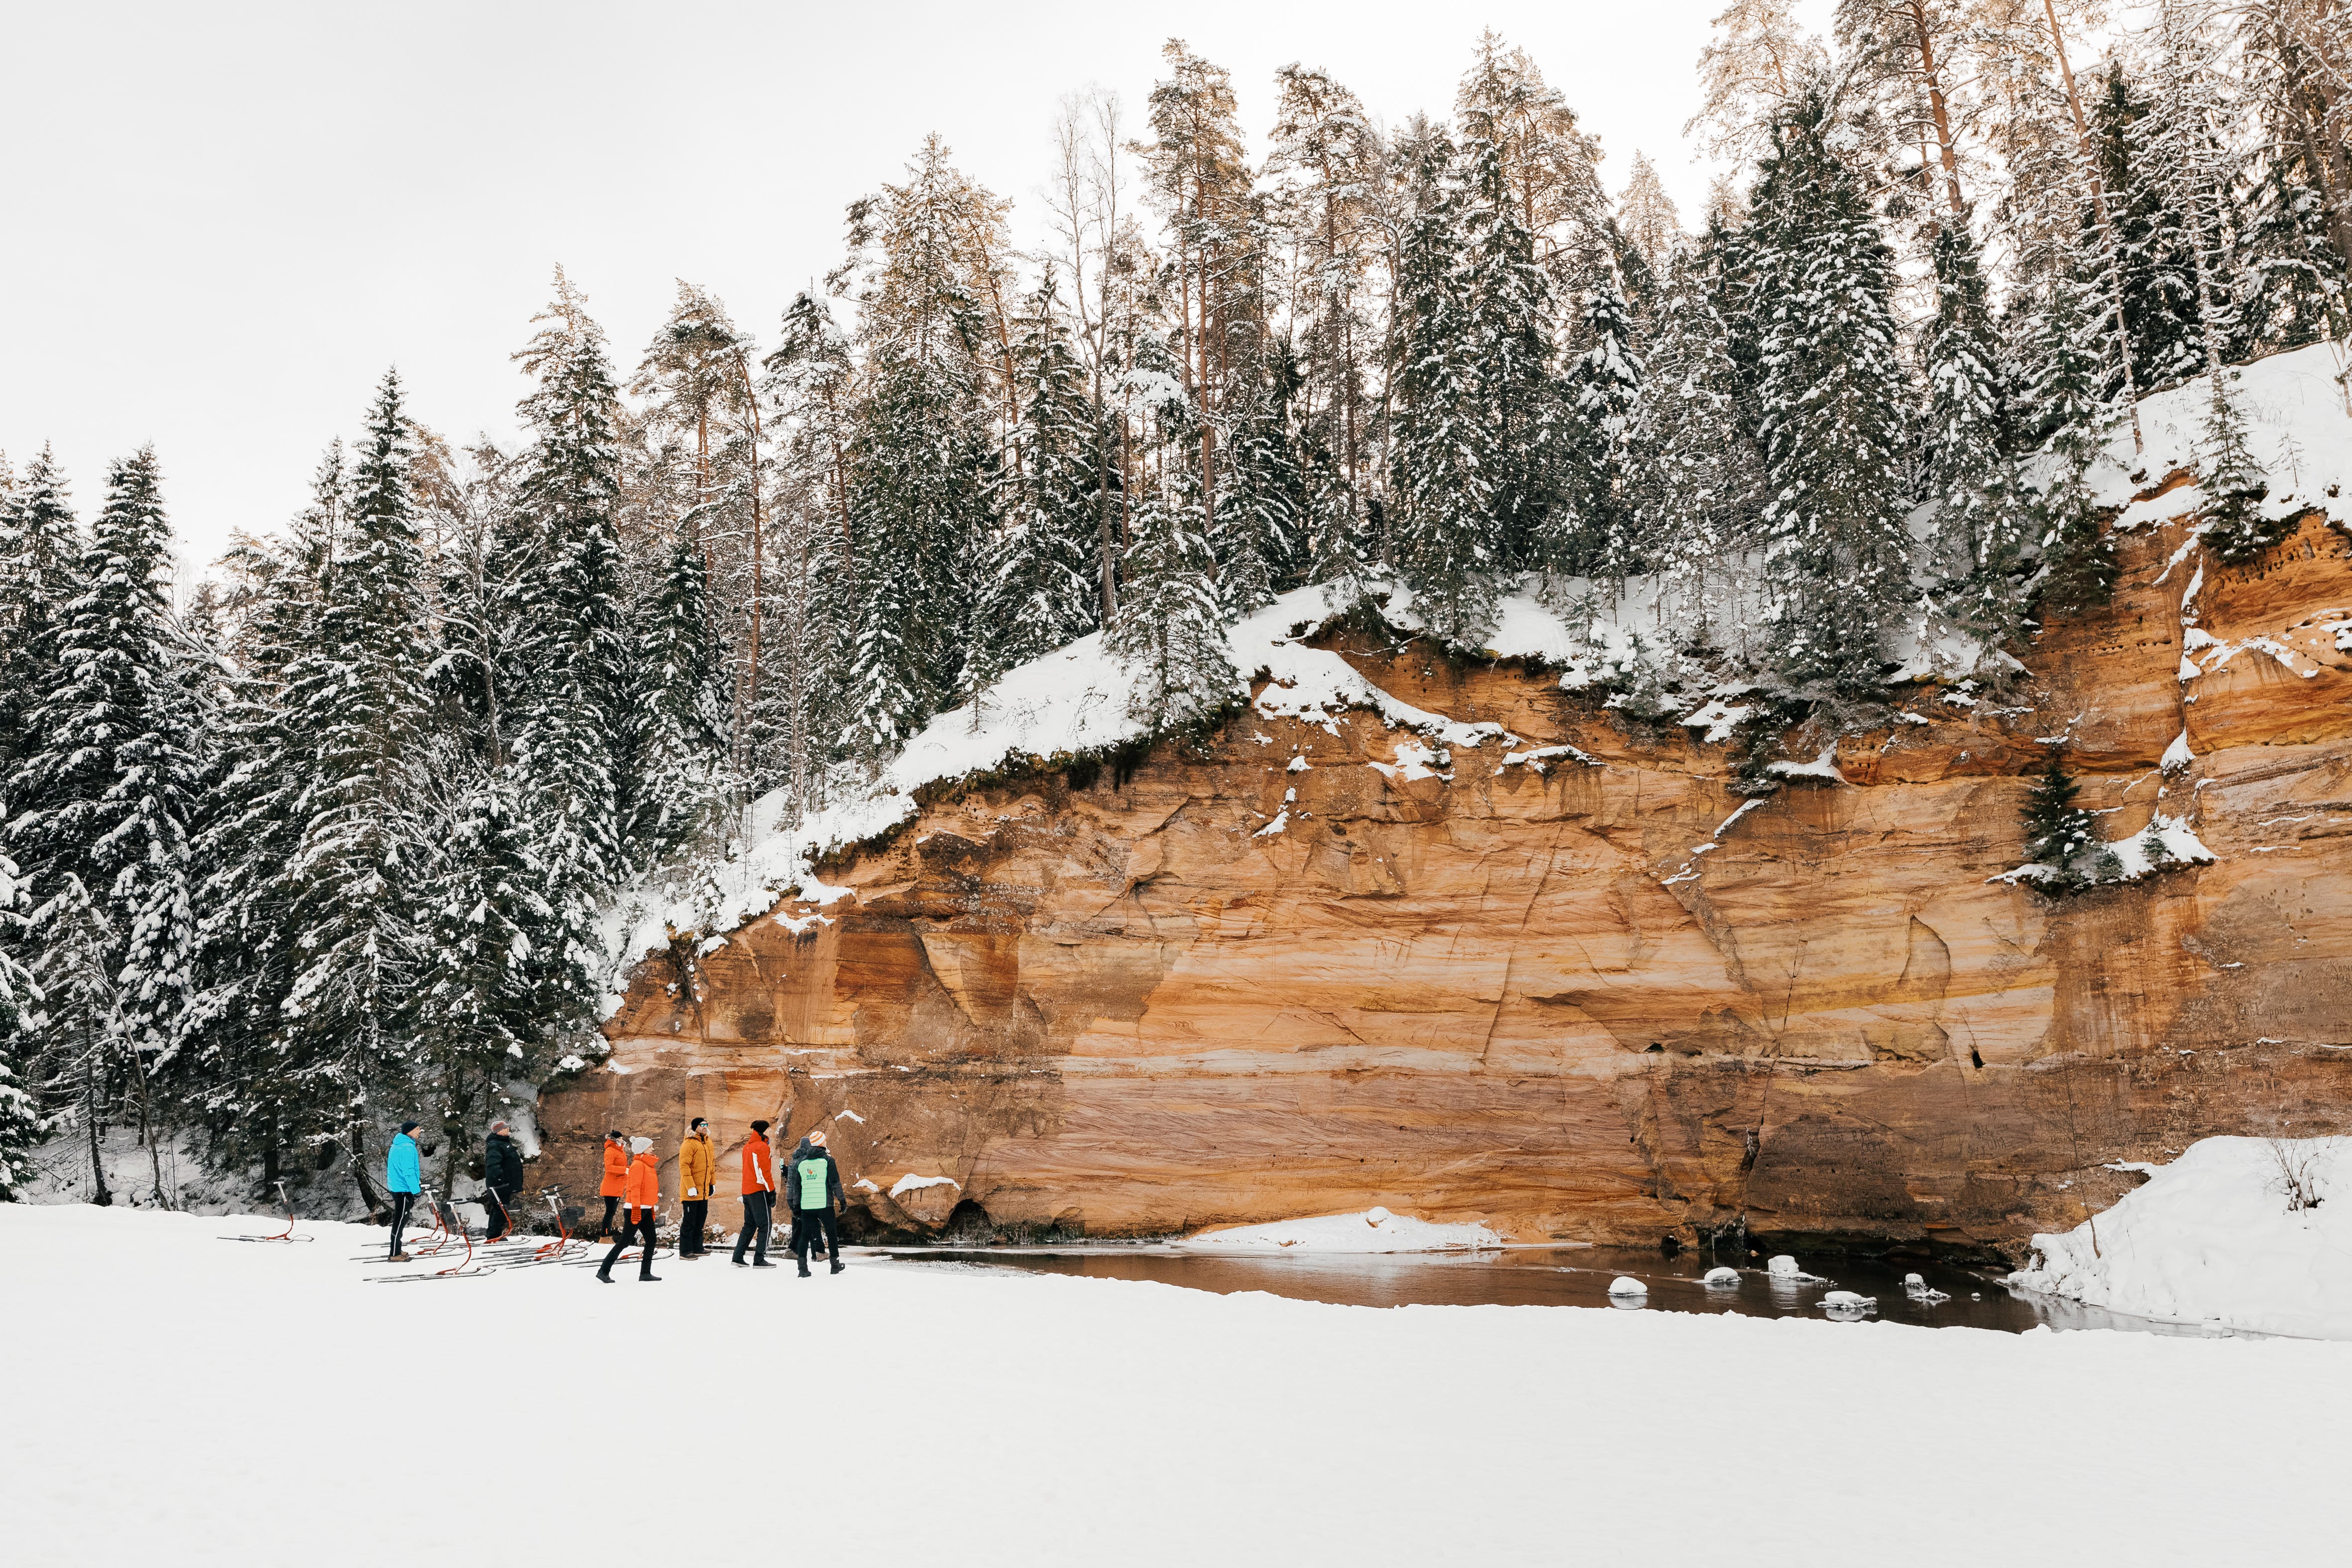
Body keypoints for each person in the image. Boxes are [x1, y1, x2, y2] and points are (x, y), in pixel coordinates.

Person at [596, 1136, 663, 1284]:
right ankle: (603, 1271)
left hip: (644, 1208)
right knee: (624, 1242)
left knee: (652, 1240)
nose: (653, 1149)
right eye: (650, 1146)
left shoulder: (647, 1165)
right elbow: (635, 1189)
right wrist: (637, 1209)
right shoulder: (638, 1165)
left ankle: (645, 1273)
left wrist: (650, 1207)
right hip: (635, 1209)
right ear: (643, 1149)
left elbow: (648, 1190)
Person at [787, 1128, 845, 1277]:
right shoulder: (828, 1161)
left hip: (807, 1206)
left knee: (805, 1235)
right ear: (822, 1144)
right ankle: (835, 1265)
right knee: (832, 1233)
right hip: (824, 1204)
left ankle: (802, 1269)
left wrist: (797, 1207)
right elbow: (835, 1183)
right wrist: (842, 1200)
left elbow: (797, 1187)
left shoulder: (802, 1164)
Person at [733, 1119, 777, 1268]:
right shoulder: (762, 1147)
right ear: (764, 1131)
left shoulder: (748, 1147)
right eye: (769, 1129)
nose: (771, 1131)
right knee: (766, 1225)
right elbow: (764, 1172)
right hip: (759, 1190)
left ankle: (738, 1257)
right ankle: (759, 1259)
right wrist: (772, 1191)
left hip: (747, 1190)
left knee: (749, 1225)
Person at [677, 1117, 716, 1259]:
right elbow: (684, 1166)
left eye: (706, 1124)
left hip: (704, 1191)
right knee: (689, 1221)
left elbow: (711, 1165)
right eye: (702, 1125)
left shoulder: (708, 1143)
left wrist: (712, 1183)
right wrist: (690, 1186)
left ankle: (698, 1247)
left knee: (700, 1220)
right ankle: (685, 1251)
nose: (705, 1127)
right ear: (695, 1127)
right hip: (691, 1192)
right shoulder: (689, 1144)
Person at [385, 1120, 422, 1261]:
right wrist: (415, 1190)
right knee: (400, 1220)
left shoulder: (398, 1145)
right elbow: (408, 1172)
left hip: (397, 1187)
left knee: (401, 1219)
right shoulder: (407, 1148)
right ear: (410, 1132)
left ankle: (397, 1249)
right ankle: (395, 1253)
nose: (420, 1131)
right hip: (403, 1189)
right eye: (418, 1129)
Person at [483, 1120, 524, 1242]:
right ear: (499, 1131)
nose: (508, 1130)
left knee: (499, 1208)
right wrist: (500, 1179)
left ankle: (493, 1234)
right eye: (505, 1128)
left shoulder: (502, 1143)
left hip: (504, 1184)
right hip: (499, 1185)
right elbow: (493, 1165)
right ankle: (494, 1236)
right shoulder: (495, 1145)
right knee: (500, 1209)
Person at [597, 1129, 627, 1239]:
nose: (622, 1140)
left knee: (612, 1212)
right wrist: (625, 1170)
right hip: (611, 1186)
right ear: (615, 1140)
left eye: (622, 1138)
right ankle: (605, 1236)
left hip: (617, 1185)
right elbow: (609, 1167)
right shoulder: (611, 1150)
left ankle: (606, 1236)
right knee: (610, 1212)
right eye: (620, 1139)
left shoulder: (620, 1151)